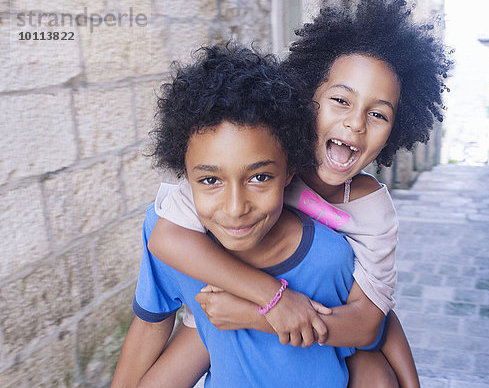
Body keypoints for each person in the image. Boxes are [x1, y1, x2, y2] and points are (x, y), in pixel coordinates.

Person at [141, 0, 452, 387]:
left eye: (377, 114)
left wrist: (257, 313)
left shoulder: (373, 210)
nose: (356, 124)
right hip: (218, 312)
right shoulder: (259, 164)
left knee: (380, 373)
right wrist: (270, 296)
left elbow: (371, 324)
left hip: (310, 332)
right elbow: (166, 237)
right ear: (309, 97)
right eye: (341, 100)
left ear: (396, 128)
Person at [112, 43, 361, 387]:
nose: (235, 208)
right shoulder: (167, 234)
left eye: (259, 177)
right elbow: (152, 327)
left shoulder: (329, 257)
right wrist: (271, 298)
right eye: (210, 180)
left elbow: (369, 342)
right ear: (184, 174)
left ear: (289, 171)